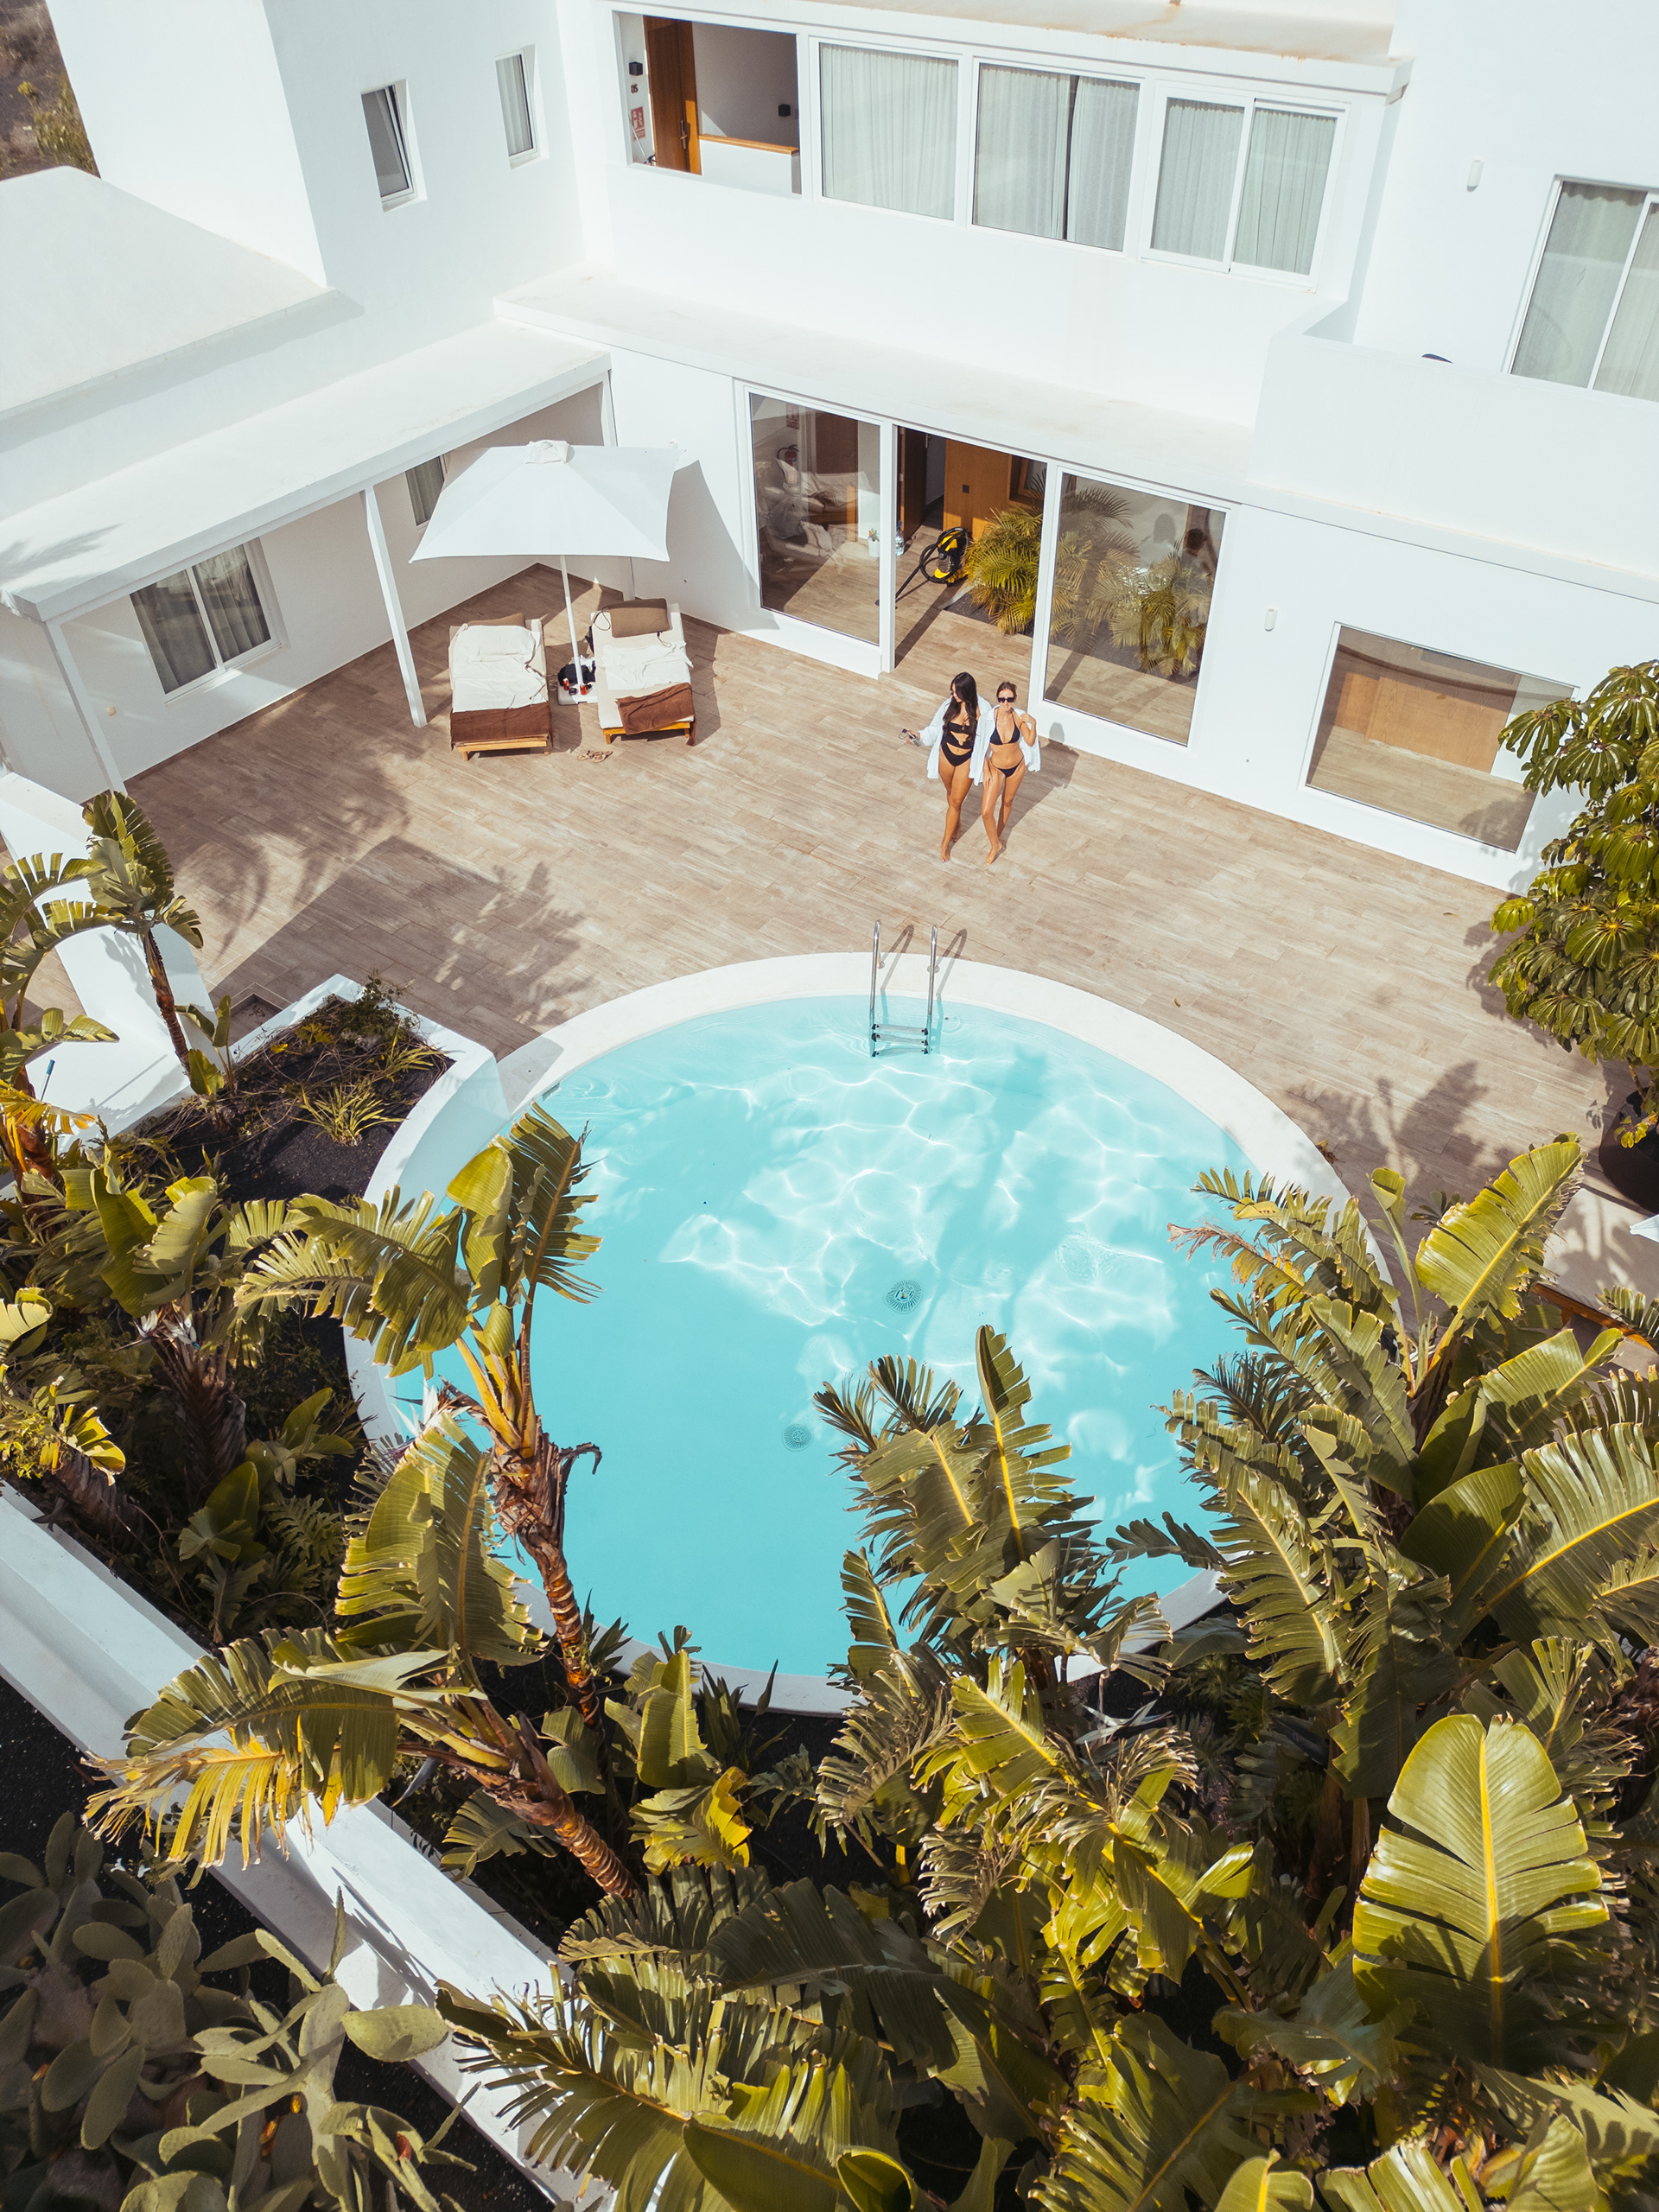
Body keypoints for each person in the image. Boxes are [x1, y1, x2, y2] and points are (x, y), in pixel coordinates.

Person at [903, 672, 991, 862]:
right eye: (952, 692)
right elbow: (936, 728)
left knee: (956, 802)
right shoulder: (948, 706)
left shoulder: (983, 710)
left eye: (957, 692)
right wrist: (919, 736)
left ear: (967, 691)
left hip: (966, 759)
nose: (954, 696)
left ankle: (944, 844)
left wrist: (988, 766)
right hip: (946, 755)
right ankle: (956, 825)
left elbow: (987, 741)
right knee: (951, 795)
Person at [981, 679, 1040, 865]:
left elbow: (1030, 741)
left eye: (1009, 699)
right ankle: (995, 844)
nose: (1006, 703)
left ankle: (997, 839)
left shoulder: (1018, 717)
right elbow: (979, 746)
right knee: (986, 811)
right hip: (996, 768)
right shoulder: (988, 719)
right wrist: (985, 769)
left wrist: (1034, 724)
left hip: (1017, 766)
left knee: (1007, 802)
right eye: (1002, 699)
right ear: (997, 699)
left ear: (1014, 699)